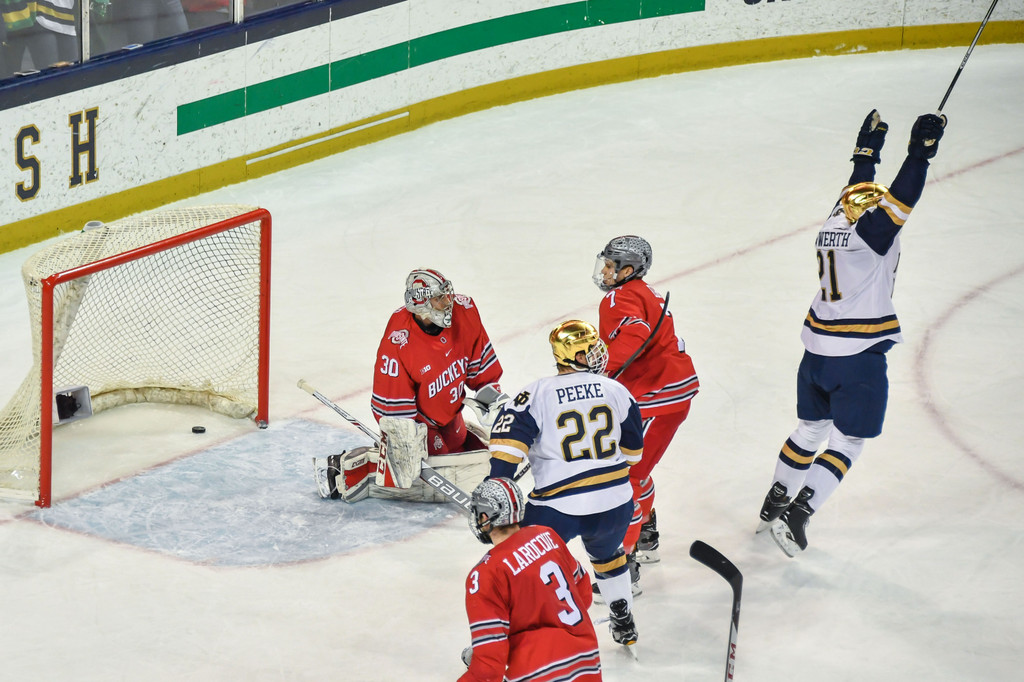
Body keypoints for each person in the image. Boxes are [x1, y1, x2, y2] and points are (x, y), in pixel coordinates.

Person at [757, 109, 947, 557]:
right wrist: (920, 153)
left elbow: (856, 193)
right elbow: (903, 197)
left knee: (809, 429)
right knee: (848, 441)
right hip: (857, 357)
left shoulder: (832, 225)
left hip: (816, 352)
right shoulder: (872, 236)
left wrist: (867, 152)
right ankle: (799, 514)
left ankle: (775, 499)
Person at [487, 319, 644, 648]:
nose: (600, 353)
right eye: (592, 348)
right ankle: (623, 618)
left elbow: (506, 457)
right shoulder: (617, 390)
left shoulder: (536, 392)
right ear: (578, 355)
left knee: (522, 561)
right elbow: (633, 455)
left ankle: (515, 635)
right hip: (616, 505)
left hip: (558, 509)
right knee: (608, 554)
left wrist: (493, 493)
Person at [592, 236, 699, 568]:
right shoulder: (644, 290)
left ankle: (625, 563)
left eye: (611, 266)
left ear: (628, 269)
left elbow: (635, 332)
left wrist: (603, 369)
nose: (605, 272)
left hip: (657, 395)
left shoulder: (617, 299)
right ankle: (646, 533)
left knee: (625, 480)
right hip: (664, 392)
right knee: (637, 470)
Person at [459, 477, 602, 682]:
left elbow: (489, 669)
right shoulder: (548, 535)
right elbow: (584, 593)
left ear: (484, 517)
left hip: (535, 673)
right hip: (587, 662)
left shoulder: (485, 574)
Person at [370, 268, 506, 456]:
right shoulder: (399, 341)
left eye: (446, 295)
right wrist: (404, 442)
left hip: (452, 417)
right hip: (422, 428)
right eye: (439, 298)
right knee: (452, 470)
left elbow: (482, 370)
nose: (448, 302)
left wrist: (492, 401)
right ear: (420, 304)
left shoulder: (465, 311)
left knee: (480, 461)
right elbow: (392, 407)